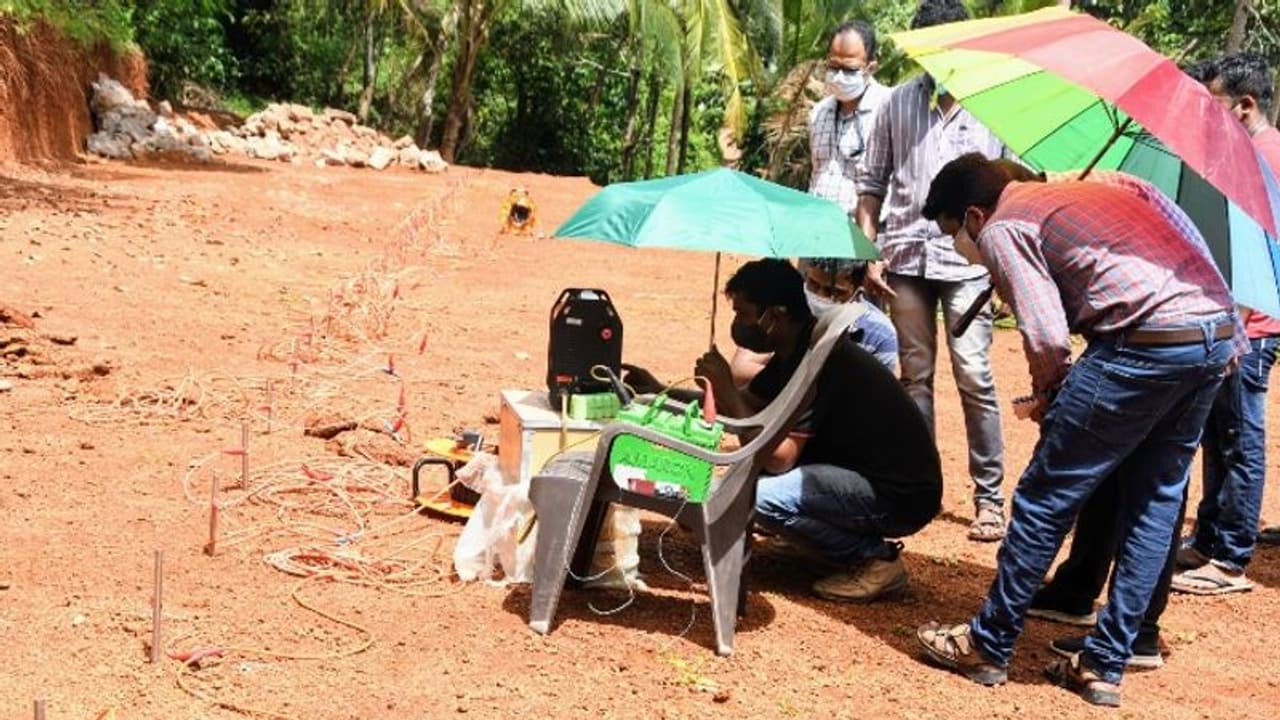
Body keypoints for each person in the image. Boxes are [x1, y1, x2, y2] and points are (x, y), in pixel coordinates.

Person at [913, 153, 1238, 707]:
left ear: (972, 214)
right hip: (1211, 335)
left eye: (953, 234)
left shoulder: (1005, 224)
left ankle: (988, 645)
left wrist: (1051, 395)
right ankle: (1105, 664)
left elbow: (1045, 336)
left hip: (1143, 342)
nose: (961, 248)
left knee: (1045, 497)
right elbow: (1194, 248)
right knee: (1156, 500)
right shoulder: (1116, 187)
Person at [1029, 53, 1280, 667]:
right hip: (1175, 327)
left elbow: (1250, 254)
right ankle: (1083, 587)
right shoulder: (1205, 154)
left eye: (1210, 102)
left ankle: (1150, 614)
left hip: (1213, 331)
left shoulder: (1259, 160)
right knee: (1133, 472)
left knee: (1168, 478)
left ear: (1242, 106)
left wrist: (1236, 332)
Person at [630, 259, 942, 602]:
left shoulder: (817, 363)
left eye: (744, 314)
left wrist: (728, 393)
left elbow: (779, 458)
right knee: (740, 491)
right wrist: (659, 390)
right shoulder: (795, 348)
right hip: (856, 478)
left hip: (897, 496)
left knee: (759, 499)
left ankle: (874, 560)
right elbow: (751, 405)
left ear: (774, 316)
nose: (738, 325)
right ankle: (824, 544)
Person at [856, 0, 1007, 542]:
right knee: (914, 378)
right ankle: (917, 488)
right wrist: (868, 250)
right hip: (906, 259)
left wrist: (1007, 266)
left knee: (974, 375)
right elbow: (872, 184)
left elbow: (1015, 187)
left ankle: (990, 498)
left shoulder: (993, 107)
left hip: (970, 264)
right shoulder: (897, 103)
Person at [729, 258, 899, 385]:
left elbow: (871, 400)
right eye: (813, 284)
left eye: (834, 292)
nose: (820, 296)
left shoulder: (880, 335)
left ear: (857, 293)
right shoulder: (791, 307)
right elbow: (740, 369)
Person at [809, 20, 889, 214]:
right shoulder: (818, 113)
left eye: (850, 69)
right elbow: (816, 171)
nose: (838, 76)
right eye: (833, 67)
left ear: (871, 68)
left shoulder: (889, 110)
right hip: (818, 227)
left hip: (864, 234)